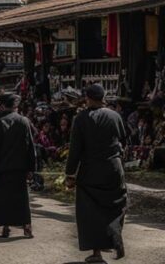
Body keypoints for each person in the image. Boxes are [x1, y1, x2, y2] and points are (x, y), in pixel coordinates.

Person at [65, 84, 128, 262]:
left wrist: (70, 174)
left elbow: (75, 150)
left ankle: (97, 253)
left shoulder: (81, 118)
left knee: (89, 213)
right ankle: (115, 238)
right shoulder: (115, 116)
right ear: (103, 98)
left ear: (87, 98)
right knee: (115, 206)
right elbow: (124, 140)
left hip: (90, 172)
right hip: (114, 169)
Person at [0, 93, 36, 239]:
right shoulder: (23, 121)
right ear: (15, 105)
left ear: (2, 105)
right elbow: (29, 147)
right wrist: (31, 168)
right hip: (18, 168)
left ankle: (6, 228)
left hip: (0, 168)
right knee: (21, 199)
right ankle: (27, 227)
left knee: (3, 199)